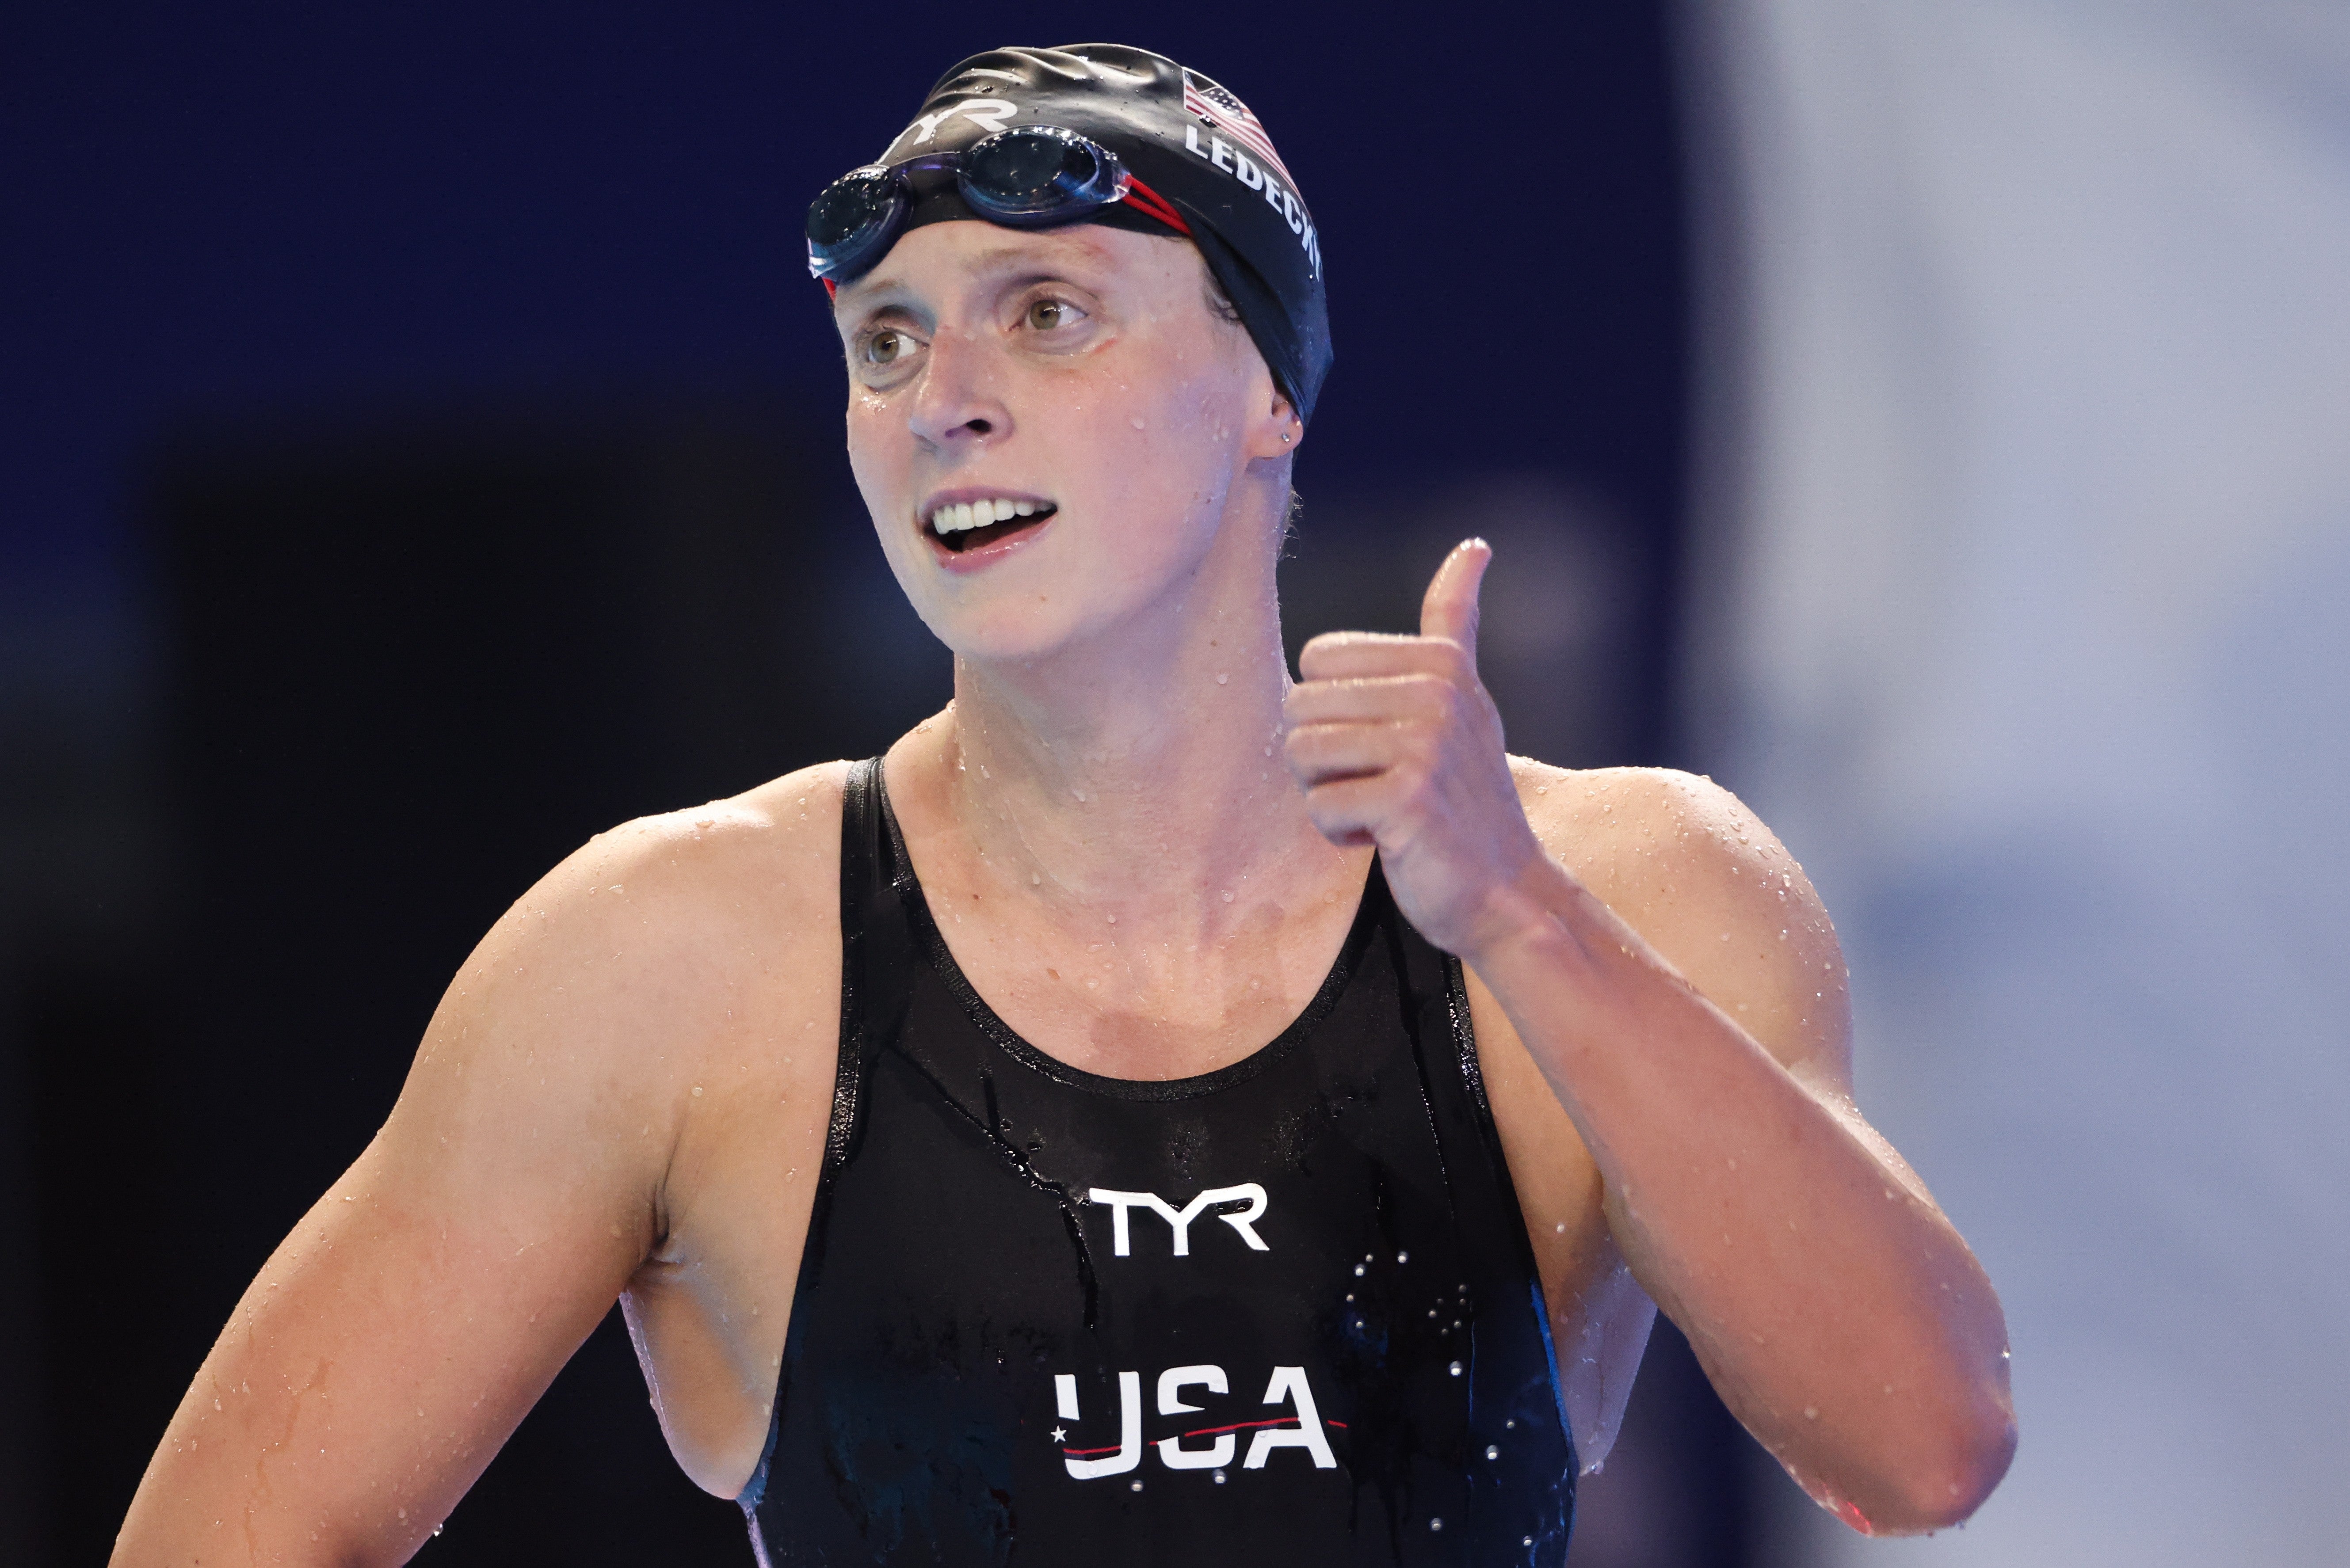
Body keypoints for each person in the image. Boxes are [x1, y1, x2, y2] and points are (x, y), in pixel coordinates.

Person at [112, 43, 2014, 1566]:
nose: (945, 394)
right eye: (887, 340)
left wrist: (1515, 915)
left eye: (1046, 314)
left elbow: (1925, 1444)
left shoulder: (1622, 888)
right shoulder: (676, 963)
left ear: (1267, 384)